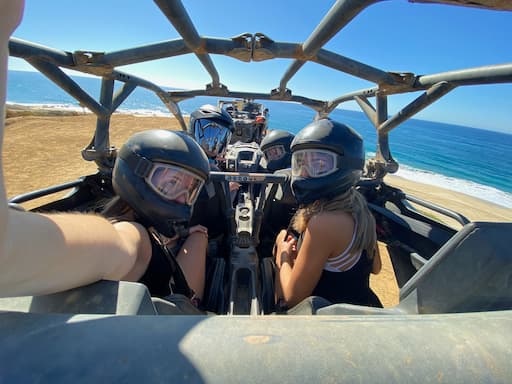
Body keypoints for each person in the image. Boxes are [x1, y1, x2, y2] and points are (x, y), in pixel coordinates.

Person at [273, 118, 382, 310]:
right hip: (364, 308)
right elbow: (375, 268)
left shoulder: (323, 222)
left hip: (329, 321)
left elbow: (291, 298)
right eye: (301, 163)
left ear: (345, 165)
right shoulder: (362, 209)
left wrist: (282, 254)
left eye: (319, 164)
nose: (304, 173)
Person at [102, 129, 210, 302]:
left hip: (168, 304)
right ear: (138, 171)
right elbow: (112, 244)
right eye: (172, 182)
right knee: (200, 236)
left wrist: (183, 233)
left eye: (190, 190)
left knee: (197, 233)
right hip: (181, 313)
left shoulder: (132, 217)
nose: (183, 198)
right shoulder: (131, 232)